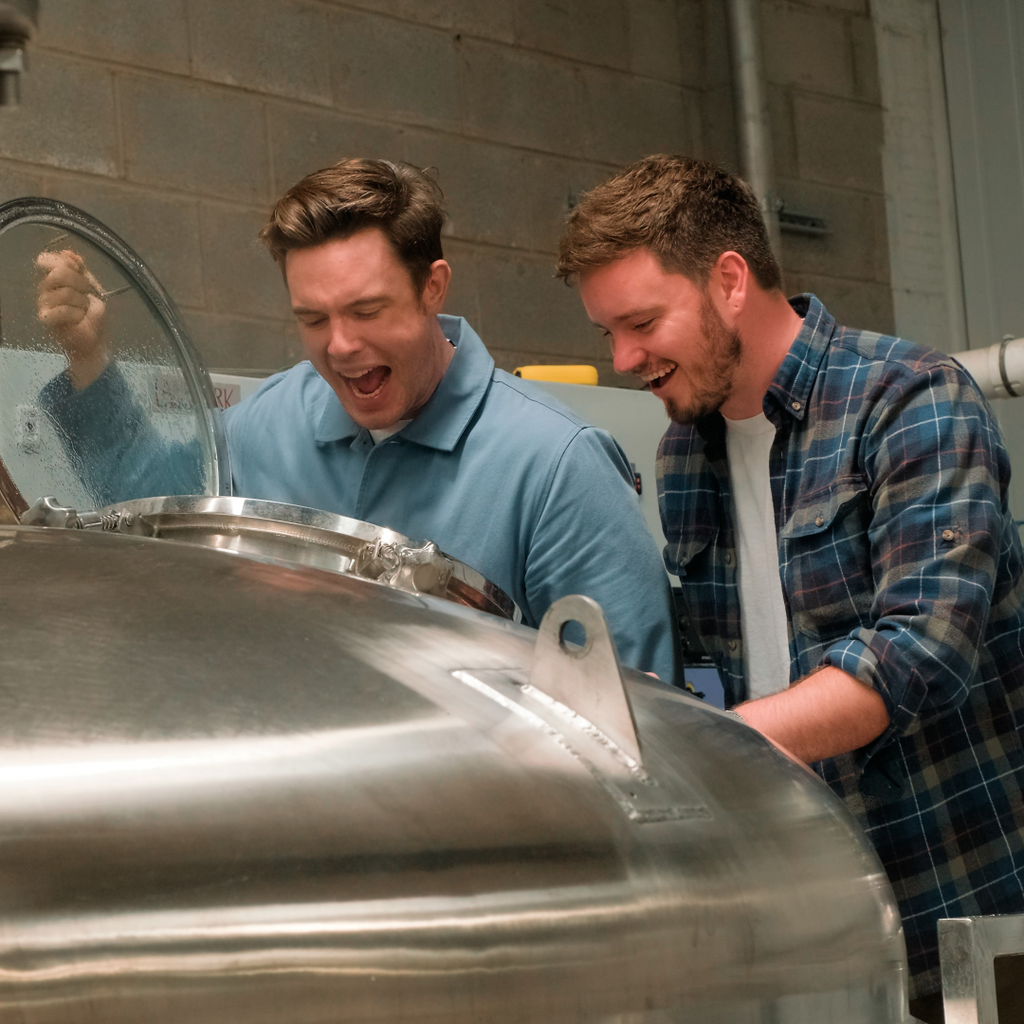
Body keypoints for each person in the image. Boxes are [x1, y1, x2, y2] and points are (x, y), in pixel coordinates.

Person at [556, 154, 1024, 1020]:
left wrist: (706, 749)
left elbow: (920, 651)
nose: (624, 358)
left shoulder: (910, 400)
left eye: (642, 322)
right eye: (606, 333)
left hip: (961, 906)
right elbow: (720, 669)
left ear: (729, 280)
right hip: (813, 923)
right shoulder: (684, 452)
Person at [35, 158, 678, 684]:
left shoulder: (558, 465)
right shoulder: (265, 425)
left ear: (433, 287)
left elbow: (631, 712)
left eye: (367, 311)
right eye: (313, 320)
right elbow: (142, 505)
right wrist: (89, 356)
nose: (339, 346)